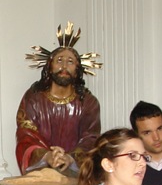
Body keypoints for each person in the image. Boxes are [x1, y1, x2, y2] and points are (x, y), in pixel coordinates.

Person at [15, 21, 103, 175]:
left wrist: (69, 158)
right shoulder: (33, 99)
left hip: (75, 174)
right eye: (59, 60)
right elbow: (26, 135)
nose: (64, 66)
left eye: (70, 62)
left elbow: (91, 138)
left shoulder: (88, 103)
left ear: (77, 70)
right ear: (50, 67)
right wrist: (47, 156)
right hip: (42, 172)